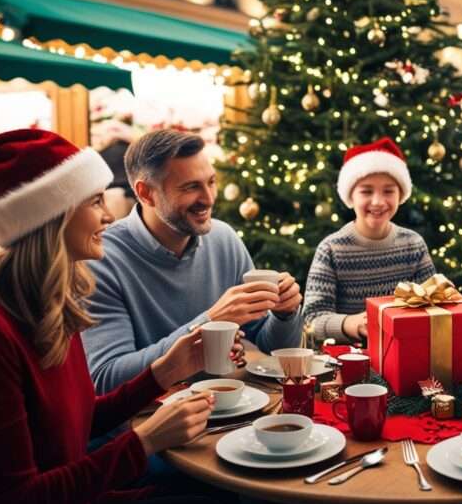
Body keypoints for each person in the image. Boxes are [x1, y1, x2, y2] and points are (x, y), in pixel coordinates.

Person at [0, 129, 242, 504]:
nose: (108, 215)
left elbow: (76, 421)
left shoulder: (49, 303)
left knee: (225, 497)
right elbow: (13, 502)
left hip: (75, 495)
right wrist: (144, 442)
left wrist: (163, 372)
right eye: (94, 202)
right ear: (50, 219)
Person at [83, 130, 302, 393]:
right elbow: (106, 379)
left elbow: (271, 345)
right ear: (146, 193)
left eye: (211, 182)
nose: (209, 199)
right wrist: (207, 323)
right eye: (191, 187)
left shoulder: (224, 239)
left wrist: (285, 314)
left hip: (228, 408)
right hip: (149, 423)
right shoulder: (100, 260)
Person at [303, 137, 436, 345]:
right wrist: (350, 323)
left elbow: (433, 305)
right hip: (346, 361)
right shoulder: (331, 249)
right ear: (351, 196)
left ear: (400, 194)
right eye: (366, 191)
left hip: (404, 353)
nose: (378, 201)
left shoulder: (413, 245)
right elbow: (311, 319)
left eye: (388, 191)